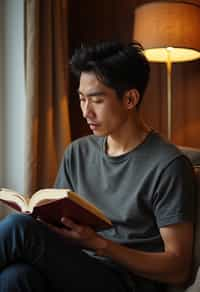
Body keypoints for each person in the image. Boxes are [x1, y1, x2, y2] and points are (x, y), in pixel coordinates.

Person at [0, 41, 196, 292]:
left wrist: (99, 244)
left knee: (19, 229)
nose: (85, 112)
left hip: (126, 282)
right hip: (77, 267)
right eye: (82, 99)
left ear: (130, 98)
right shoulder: (77, 153)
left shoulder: (168, 165)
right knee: (16, 277)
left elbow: (178, 268)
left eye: (96, 101)